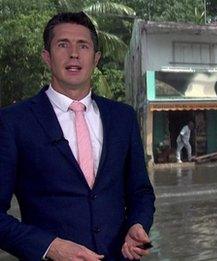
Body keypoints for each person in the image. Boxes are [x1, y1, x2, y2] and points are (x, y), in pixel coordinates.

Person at [0, 12, 155, 260]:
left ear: (96, 59)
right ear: (47, 57)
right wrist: (50, 247)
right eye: (63, 45)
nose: (74, 53)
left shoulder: (122, 118)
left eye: (83, 45)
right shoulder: (13, 122)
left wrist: (138, 224)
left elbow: (141, 192)